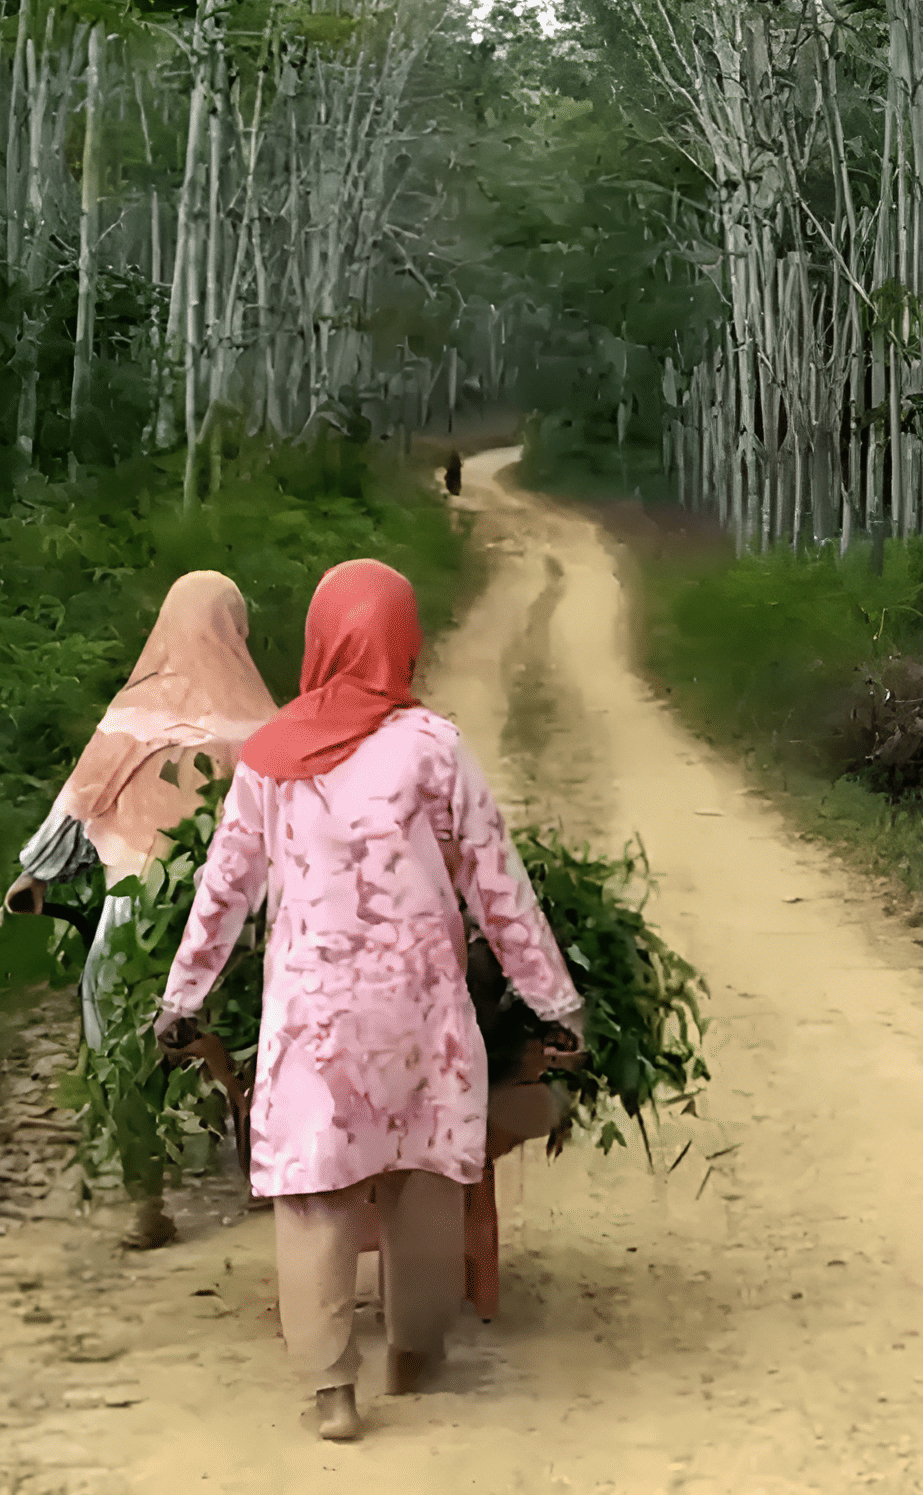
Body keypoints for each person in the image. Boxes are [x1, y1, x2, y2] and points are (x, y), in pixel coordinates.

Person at [152, 559, 582, 1443]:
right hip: (419, 1015)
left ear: (321, 638)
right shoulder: (434, 747)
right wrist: (555, 1005)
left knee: (315, 1192)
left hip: (314, 1024)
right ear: (402, 640)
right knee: (423, 1176)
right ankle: (414, 1348)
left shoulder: (270, 757)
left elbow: (223, 890)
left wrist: (181, 998)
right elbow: (499, 889)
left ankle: (331, 1390)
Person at [6, 571, 280, 1248]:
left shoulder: (135, 708)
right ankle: (264, 1171)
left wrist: (35, 876)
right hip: (236, 910)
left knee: (117, 1040)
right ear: (236, 627)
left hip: (137, 908)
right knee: (248, 1028)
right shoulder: (264, 717)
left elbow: (80, 798)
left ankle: (146, 1202)